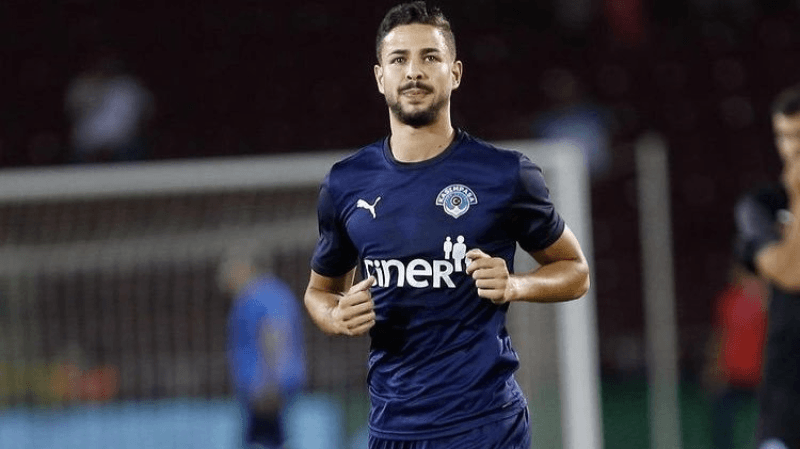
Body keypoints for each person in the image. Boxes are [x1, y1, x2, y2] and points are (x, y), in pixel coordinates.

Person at [303, 2, 591, 448]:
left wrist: (516, 284)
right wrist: (336, 316)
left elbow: (576, 271)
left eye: (430, 57)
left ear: (455, 73)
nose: (414, 72)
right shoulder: (345, 183)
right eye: (399, 59)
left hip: (486, 425)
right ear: (380, 77)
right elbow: (319, 292)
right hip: (392, 428)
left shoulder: (505, 174)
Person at [734, 83, 800, 449]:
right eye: (784, 136)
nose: (792, 147)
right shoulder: (762, 204)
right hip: (787, 406)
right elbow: (790, 274)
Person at [220, 253, 307, 449]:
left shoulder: (261, 294)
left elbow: (275, 332)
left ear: (244, 268)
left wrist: (271, 381)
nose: (222, 280)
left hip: (266, 390)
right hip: (264, 390)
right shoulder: (263, 294)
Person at [703, 261, 768, 449]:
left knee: (771, 420)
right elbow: (720, 335)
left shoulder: (768, 301)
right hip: (732, 374)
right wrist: (714, 367)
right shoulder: (729, 299)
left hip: (762, 375)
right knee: (721, 419)